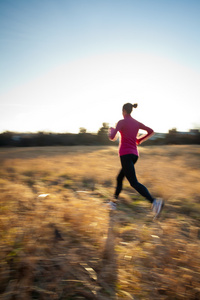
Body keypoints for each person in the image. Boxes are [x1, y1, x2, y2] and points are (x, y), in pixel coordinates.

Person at [108, 103, 164, 218]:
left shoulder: (121, 122)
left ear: (123, 110)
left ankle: (154, 202)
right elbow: (151, 131)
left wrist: (111, 129)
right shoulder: (136, 123)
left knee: (133, 182)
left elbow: (112, 137)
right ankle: (113, 203)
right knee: (119, 178)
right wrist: (139, 140)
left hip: (125, 155)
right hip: (134, 155)